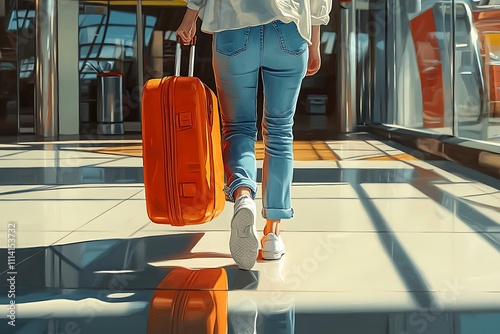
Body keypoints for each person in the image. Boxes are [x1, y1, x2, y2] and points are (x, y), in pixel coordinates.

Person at [176, 0, 332, 270]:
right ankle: (272, 234)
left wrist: (190, 17)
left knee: (237, 127)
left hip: (233, 28)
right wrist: (314, 40)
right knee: (280, 130)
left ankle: (243, 195)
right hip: (289, 30)